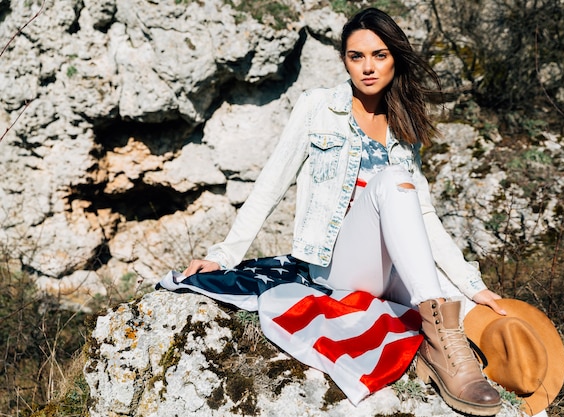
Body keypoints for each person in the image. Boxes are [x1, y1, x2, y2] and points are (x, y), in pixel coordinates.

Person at [183, 8, 506, 416]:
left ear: (395, 59)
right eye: (357, 56)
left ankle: (444, 352)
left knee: (469, 307)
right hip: (339, 264)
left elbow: (422, 215)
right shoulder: (318, 107)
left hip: (391, 266)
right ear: (344, 60)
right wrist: (223, 255)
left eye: (380, 55)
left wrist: (471, 283)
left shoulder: (404, 127)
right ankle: (444, 348)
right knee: (391, 182)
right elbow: (270, 185)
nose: (368, 67)